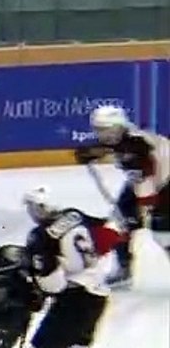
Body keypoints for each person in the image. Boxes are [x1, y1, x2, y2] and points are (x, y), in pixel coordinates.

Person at [21, 186, 122, 348]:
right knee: (79, 345)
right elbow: (110, 234)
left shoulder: (40, 237)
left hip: (74, 298)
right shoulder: (74, 214)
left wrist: (38, 285)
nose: (30, 212)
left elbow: (53, 284)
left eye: (32, 207)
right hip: (98, 291)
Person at [73, 105, 170, 288]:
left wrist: (145, 206)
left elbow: (145, 181)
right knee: (118, 223)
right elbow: (114, 147)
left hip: (165, 188)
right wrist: (94, 151)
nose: (99, 133)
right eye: (97, 129)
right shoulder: (128, 139)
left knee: (162, 233)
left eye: (103, 129)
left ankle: (125, 269)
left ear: (116, 127)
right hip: (149, 183)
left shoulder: (135, 149)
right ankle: (124, 269)